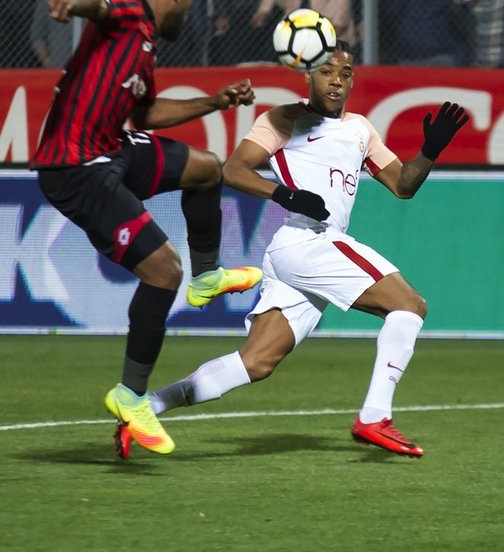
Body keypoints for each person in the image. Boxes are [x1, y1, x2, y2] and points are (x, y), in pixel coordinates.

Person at [114, 40, 469, 460]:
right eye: (326, 71)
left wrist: (429, 152)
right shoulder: (285, 118)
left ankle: (145, 408)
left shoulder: (361, 129)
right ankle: (375, 417)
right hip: (308, 241)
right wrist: (285, 195)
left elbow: (404, 185)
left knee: (255, 363)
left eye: (345, 74)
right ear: (308, 75)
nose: (336, 80)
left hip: (301, 254)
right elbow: (233, 169)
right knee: (410, 306)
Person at [30, 0, 262, 456]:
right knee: (162, 271)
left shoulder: (145, 46)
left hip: (112, 148)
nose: (189, 10)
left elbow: (146, 113)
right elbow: (100, 2)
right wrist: (72, 1)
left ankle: (208, 277)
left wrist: (214, 102)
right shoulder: (131, 10)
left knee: (207, 168)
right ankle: (131, 395)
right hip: (77, 168)